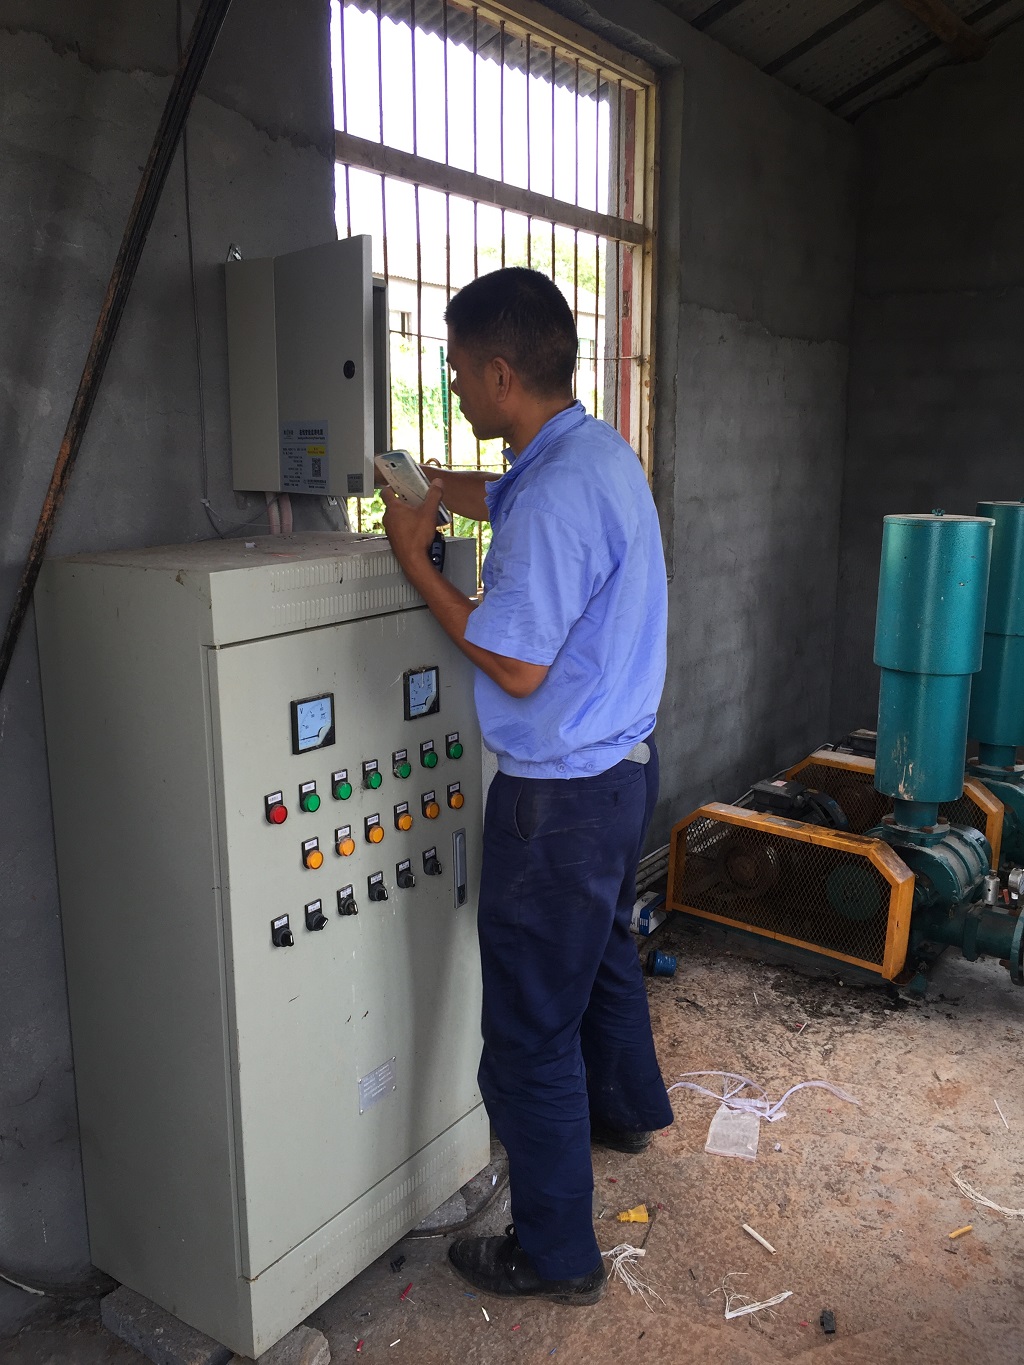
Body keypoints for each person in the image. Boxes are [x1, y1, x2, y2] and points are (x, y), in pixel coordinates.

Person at [381, 267, 673, 1306]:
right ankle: (625, 1112)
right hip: (621, 779)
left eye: (460, 371)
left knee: (528, 1038)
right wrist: (430, 489)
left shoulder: (548, 497)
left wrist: (416, 560)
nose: (455, 386)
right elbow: (496, 495)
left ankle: (556, 1254)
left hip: (555, 807)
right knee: (603, 958)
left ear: (501, 373)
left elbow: (512, 664)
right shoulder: (591, 454)